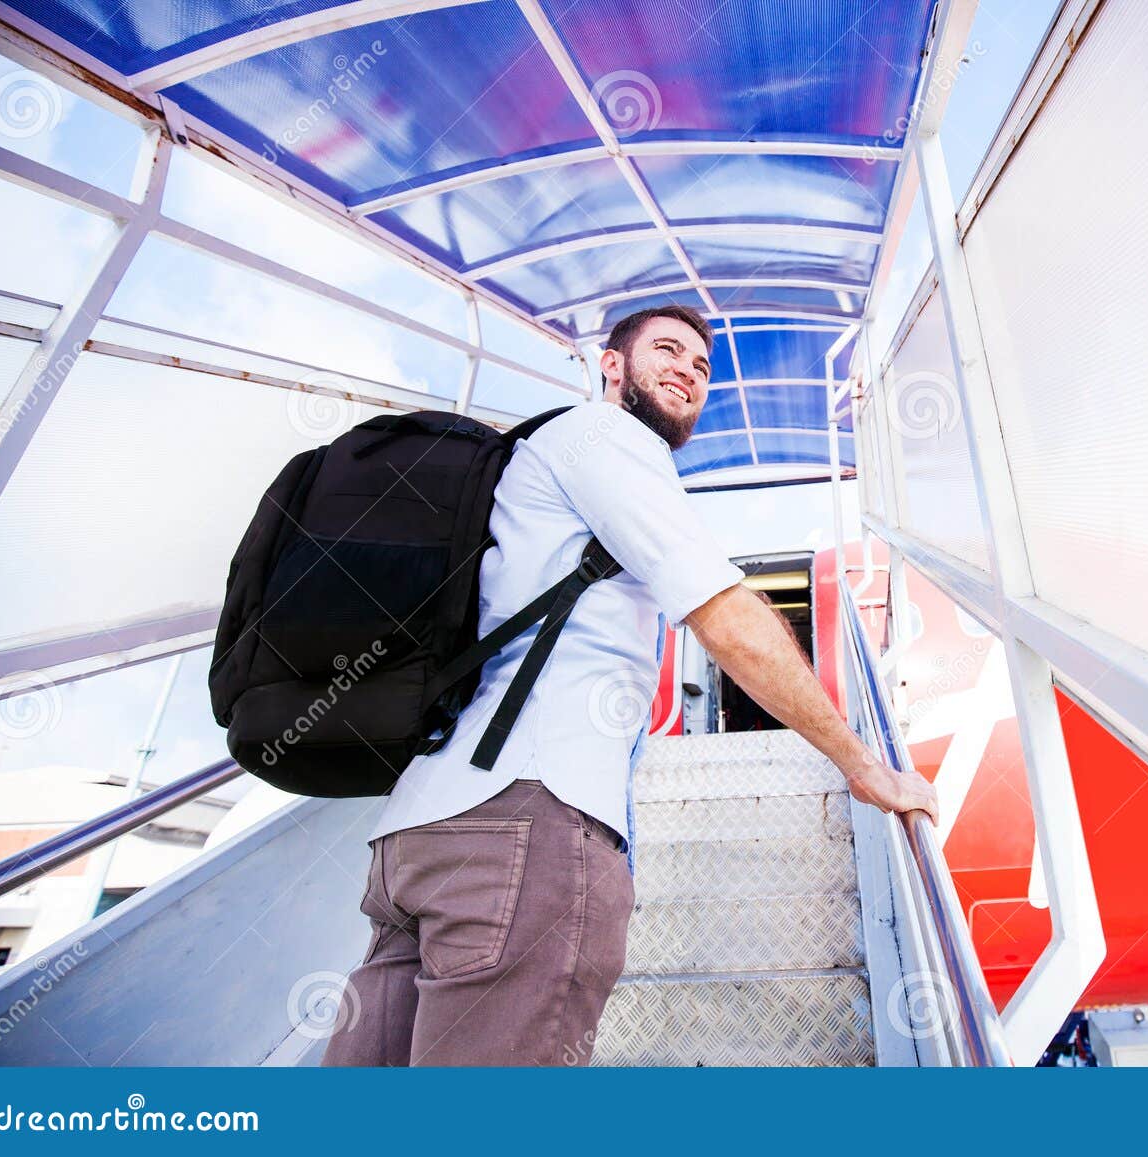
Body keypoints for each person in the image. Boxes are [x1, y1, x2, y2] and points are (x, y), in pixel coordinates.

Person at [320, 305, 938, 1067]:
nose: (688, 371)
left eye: (703, 367)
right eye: (667, 350)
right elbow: (724, 616)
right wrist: (863, 764)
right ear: (610, 364)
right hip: (524, 820)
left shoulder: (536, 458)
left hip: (417, 835)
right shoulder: (607, 437)